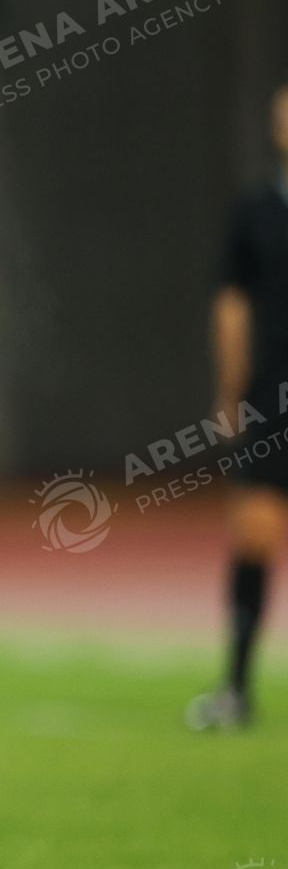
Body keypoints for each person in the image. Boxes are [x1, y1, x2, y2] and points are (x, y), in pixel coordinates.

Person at [190, 82, 288, 731]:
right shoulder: (255, 212)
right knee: (255, 533)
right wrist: (231, 390)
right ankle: (236, 688)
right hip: (272, 397)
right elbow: (231, 304)